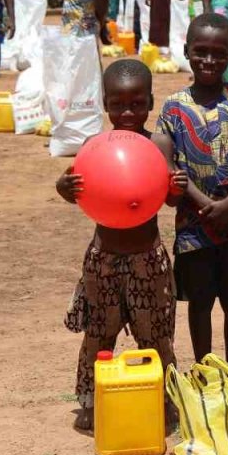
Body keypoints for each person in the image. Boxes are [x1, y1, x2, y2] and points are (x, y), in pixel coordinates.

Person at [57, 59, 179, 432]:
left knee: (155, 333)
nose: (127, 112)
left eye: (137, 104)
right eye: (118, 104)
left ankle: (164, 399)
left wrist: (176, 187)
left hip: (147, 257)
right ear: (104, 104)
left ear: (150, 102)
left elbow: (169, 198)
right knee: (99, 333)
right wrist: (63, 189)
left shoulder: (158, 144)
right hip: (104, 258)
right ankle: (96, 401)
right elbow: (77, 188)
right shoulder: (95, 146)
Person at [158, 13, 228, 367]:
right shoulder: (174, 107)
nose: (209, 60)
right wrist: (207, 203)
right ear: (186, 51)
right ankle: (206, 369)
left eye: (219, 53)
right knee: (200, 301)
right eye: (201, 51)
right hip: (195, 225)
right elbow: (168, 162)